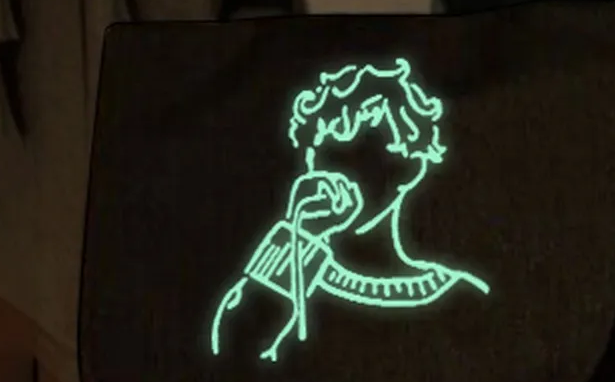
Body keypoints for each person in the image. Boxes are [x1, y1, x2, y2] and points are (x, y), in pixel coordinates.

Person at [209, 57, 489, 363]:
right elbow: (235, 355)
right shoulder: (287, 280)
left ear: (408, 167)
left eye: (359, 157)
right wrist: (299, 236)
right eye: (323, 156)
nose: (333, 178)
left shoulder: (460, 298)